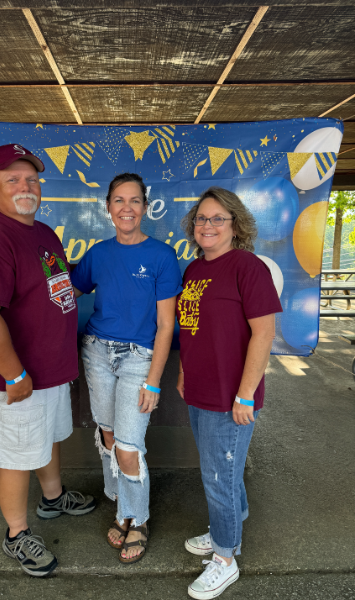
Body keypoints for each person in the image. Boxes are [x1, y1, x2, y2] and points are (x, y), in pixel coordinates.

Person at [0, 143, 96, 578]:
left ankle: (53, 499)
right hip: (16, 379)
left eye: (31, 179)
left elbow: (56, 285)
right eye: (13, 179)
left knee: (48, 437)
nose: (25, 186)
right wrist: (13, 373)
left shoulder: (43, 233)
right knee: (16, 455)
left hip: (50, 371)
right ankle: (17, 534)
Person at [71, 173, 182, 564]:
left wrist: (153, 382)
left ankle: (136, 518)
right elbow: (66, 293)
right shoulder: (98, 254)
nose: (127, 208)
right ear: (108, 207)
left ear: (146, 207)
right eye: (119, 200)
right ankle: (120, 499)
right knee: (108, 433)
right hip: (97, 352)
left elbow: (167, 324)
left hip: (139, 357)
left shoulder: (162, 256)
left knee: (129, 445)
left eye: (135, 201)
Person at [176, 186, 282, 599]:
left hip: (230, 395)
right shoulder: (192, 270)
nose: (208, 225)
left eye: (218, 218)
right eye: (201, 218)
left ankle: (225, 559)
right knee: (223, 470)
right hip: (200, 389)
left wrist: (245, 394)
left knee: (218, 476)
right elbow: (190, 327)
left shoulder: (247, 267)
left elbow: (264, 333)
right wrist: (184, 369)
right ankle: (230, 527)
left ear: (235, 225)